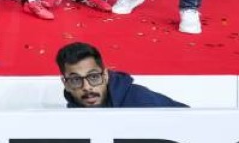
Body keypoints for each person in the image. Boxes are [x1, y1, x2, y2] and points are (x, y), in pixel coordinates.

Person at [55, 42, 187, 108]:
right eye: (76, 80)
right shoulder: (72, 114)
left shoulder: (141, 100)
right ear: (66, 84)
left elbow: (189, 118)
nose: (87, 87)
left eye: (93, 77)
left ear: (105, 76)